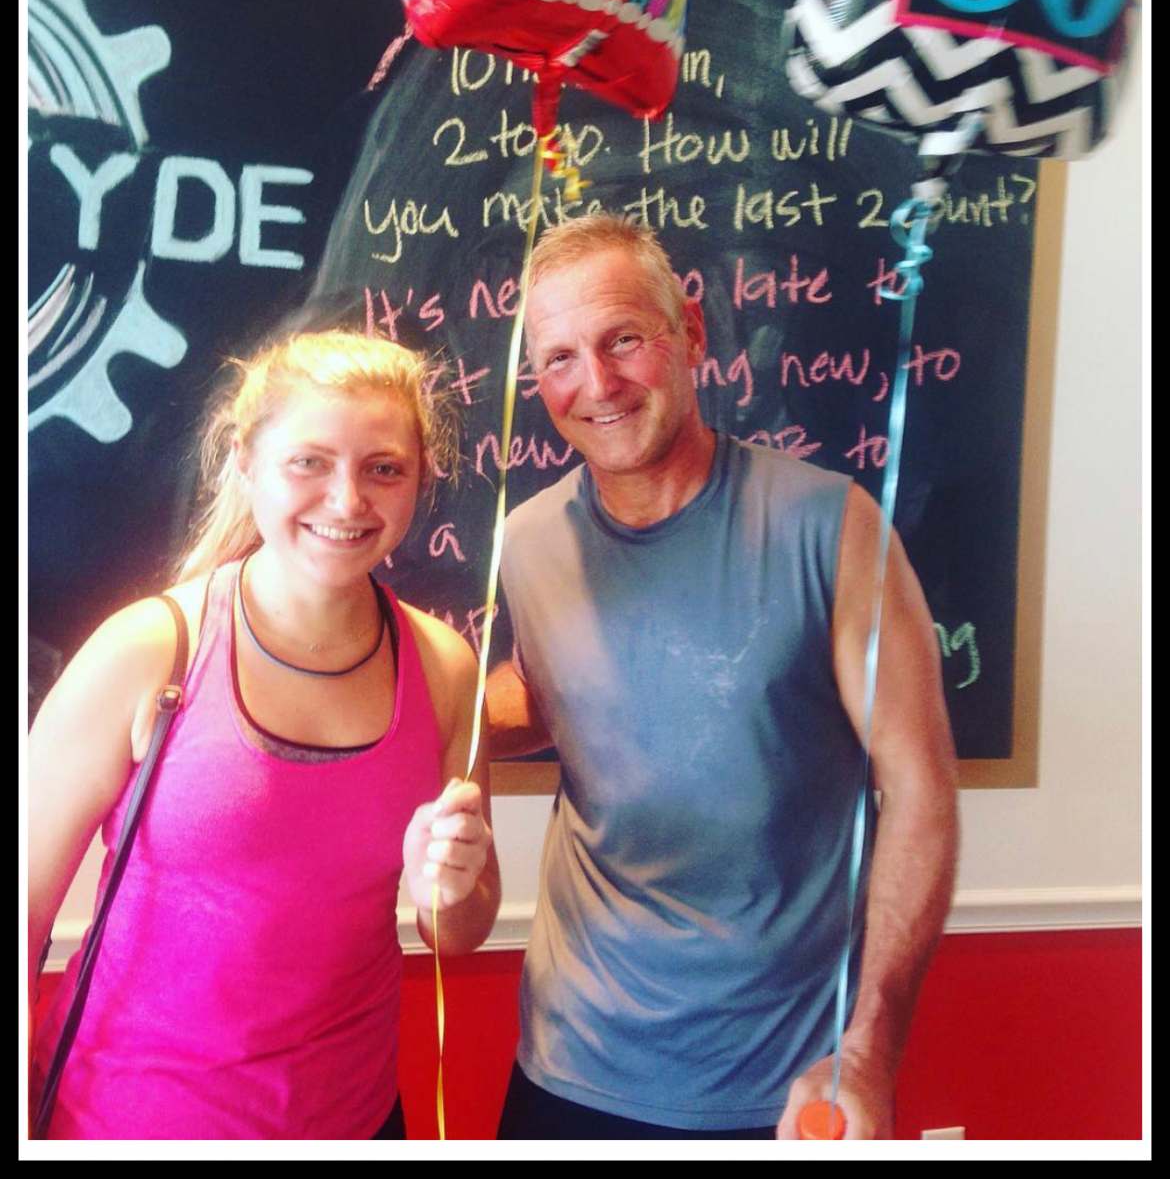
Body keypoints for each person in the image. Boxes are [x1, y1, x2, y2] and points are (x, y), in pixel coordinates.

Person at [488, 214, 958, 1141]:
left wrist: (869, 1048)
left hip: (779, 1086)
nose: (598, 383)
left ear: (692, 333)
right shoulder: (527, 542)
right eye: (560, 357)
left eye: (625, 338)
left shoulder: (832, 527)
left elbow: (919, 787)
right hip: (566, 1066)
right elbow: (555, 697)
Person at [28, 328, 500, 1140]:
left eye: (383, 467)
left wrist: (456, 885)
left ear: (420, 477)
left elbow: (456, 930)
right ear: (244, 462)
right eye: (309, 461)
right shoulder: (148, 651)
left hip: (355, 1124)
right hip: (126, 1124)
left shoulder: (446, 667)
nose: (349, 501)